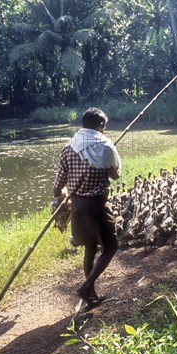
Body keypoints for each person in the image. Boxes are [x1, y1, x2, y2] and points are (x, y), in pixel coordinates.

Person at [53, 107, 121, 308]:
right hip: (97, 204)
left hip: (78, 206)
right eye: (104, 127)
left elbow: (57, 187)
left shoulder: (67, 149)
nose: (104, 131)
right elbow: (115, 175)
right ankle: (86, 286)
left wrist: (62, 197)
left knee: (90, 247)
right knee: (111, 246)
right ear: (100, 126)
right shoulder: (105, 148)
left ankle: (91, 295)